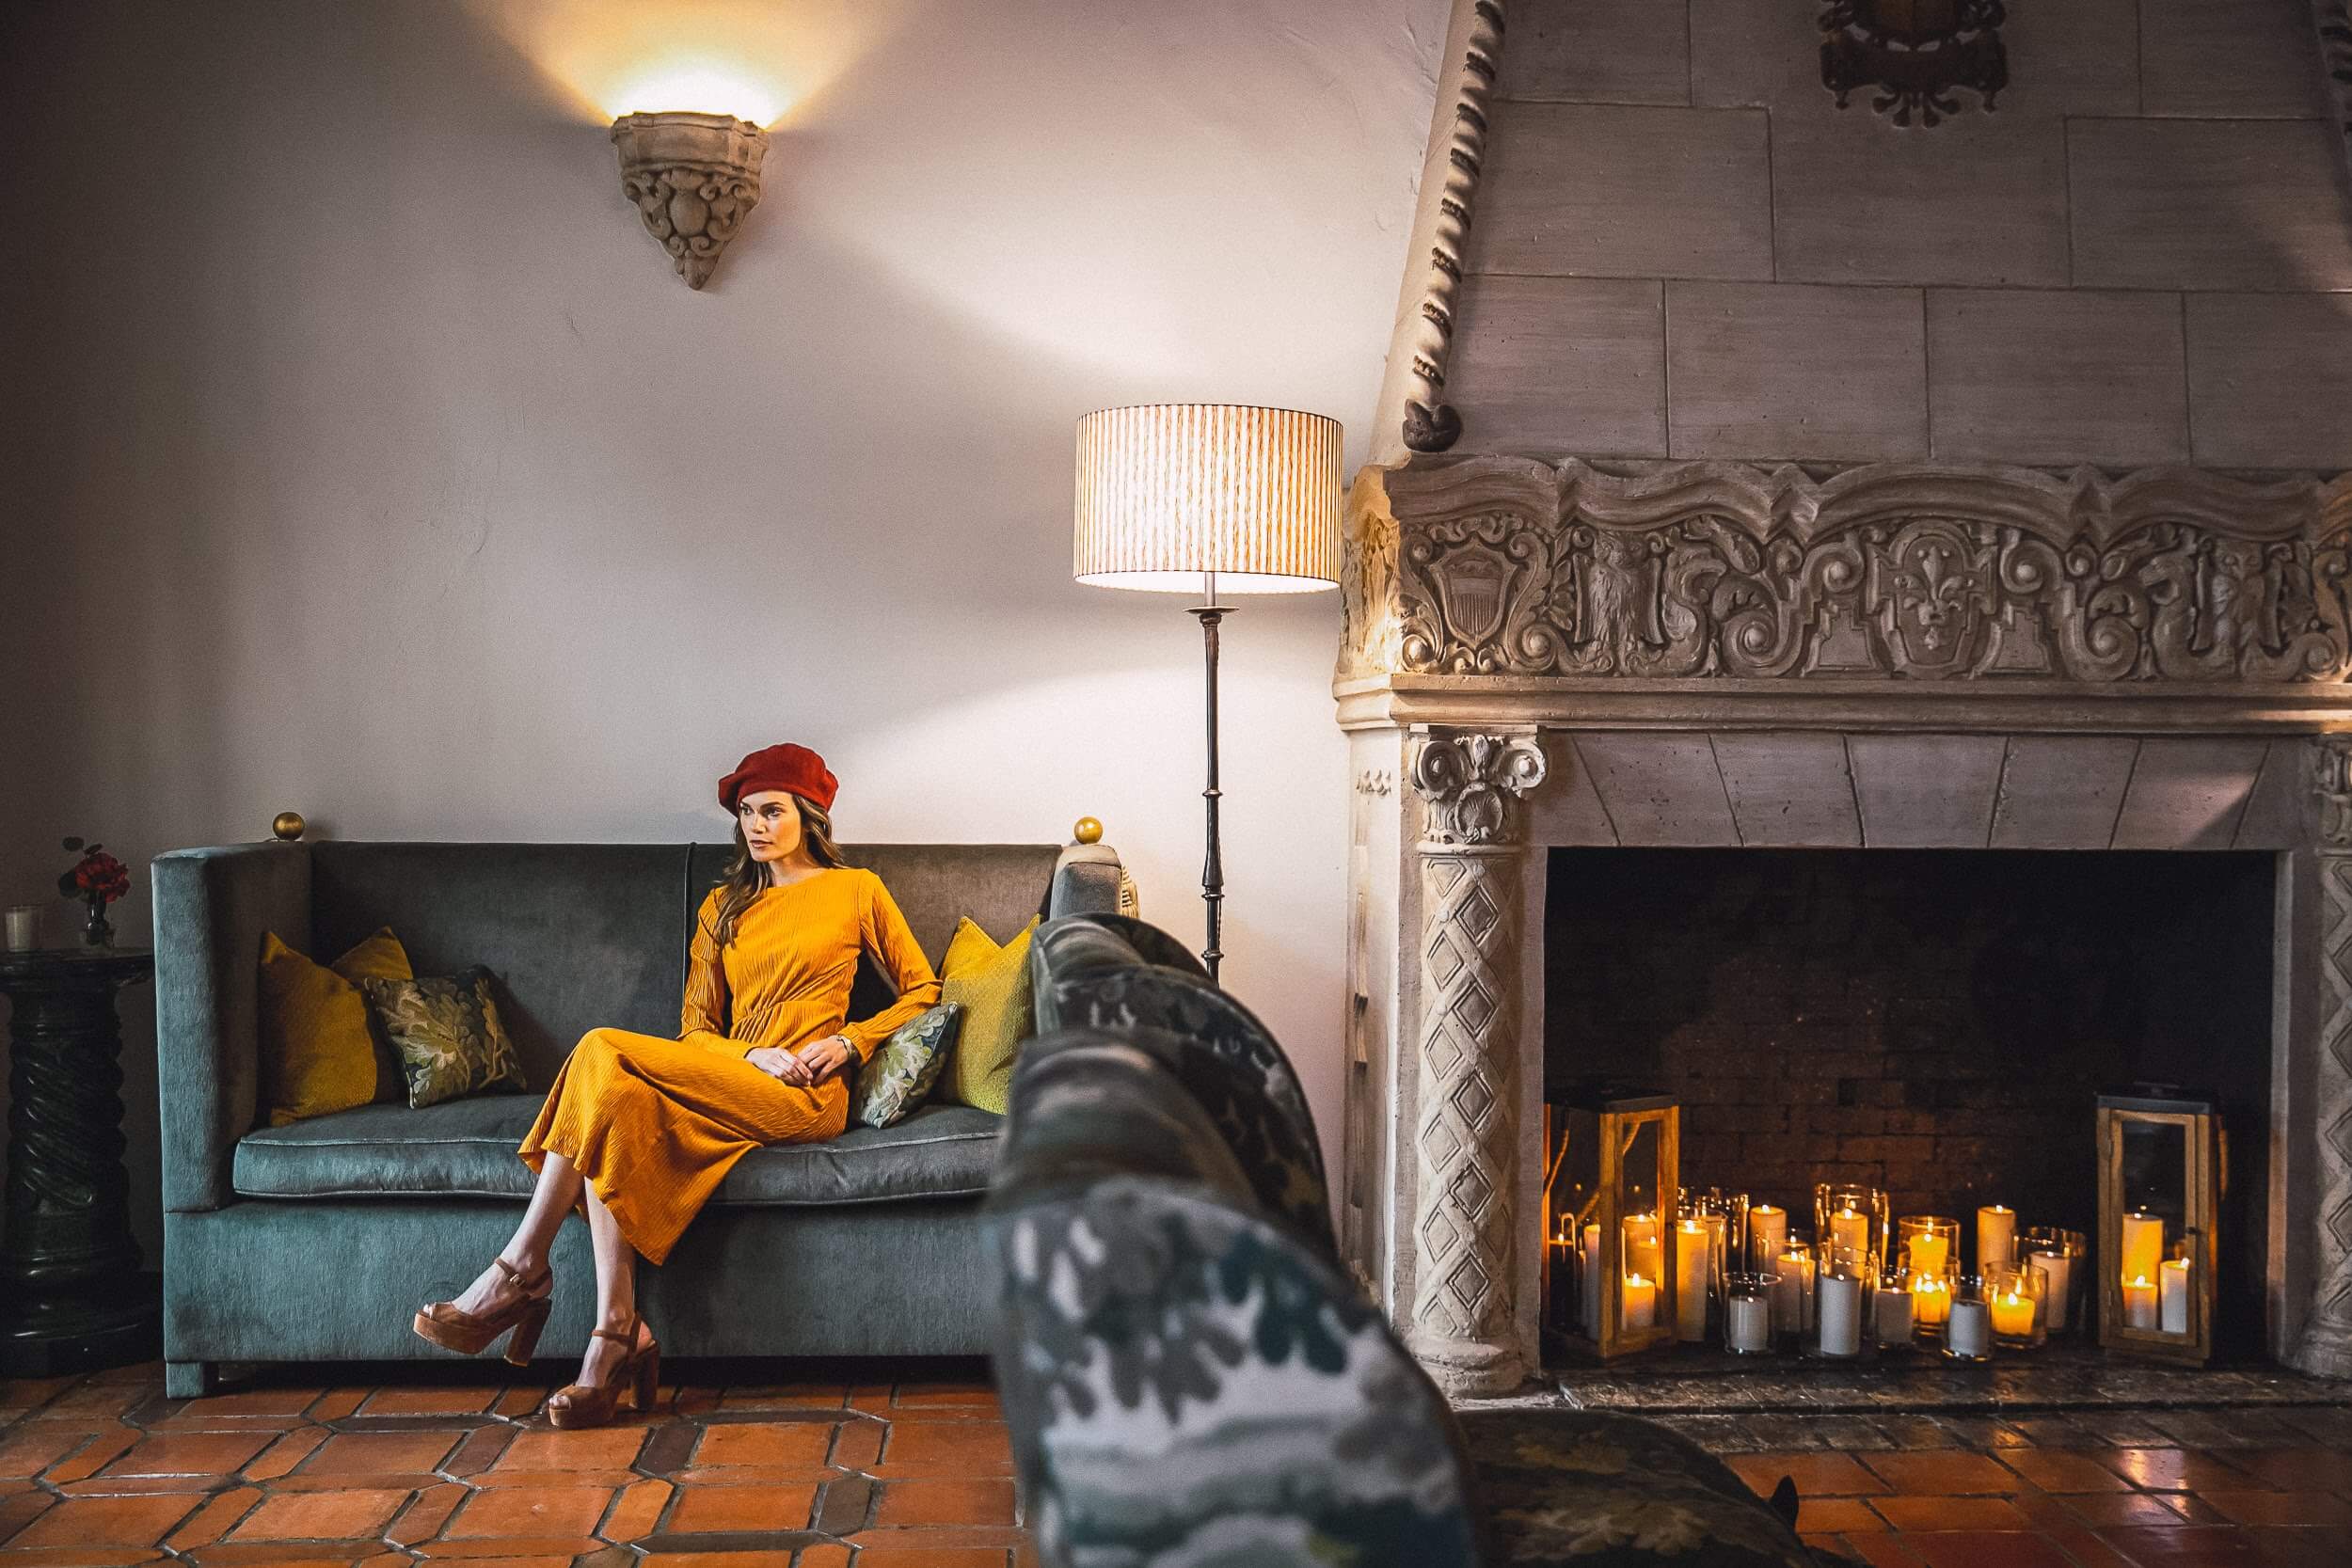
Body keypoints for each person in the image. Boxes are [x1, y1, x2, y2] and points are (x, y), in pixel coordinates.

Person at [411, 743, 941, 1427]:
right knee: (615, 1101)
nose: (756, 826)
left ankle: (521, 1269)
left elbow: (923, 989)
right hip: (738, 1072)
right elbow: (696, 1031)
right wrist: (752, 1055)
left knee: (600, 1046)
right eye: (746, 813)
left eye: (772, 811)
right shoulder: (723, 906)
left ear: (810, 816)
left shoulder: (856, 889)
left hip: (807, 1095)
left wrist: (849, 1042)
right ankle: (616, 1333)